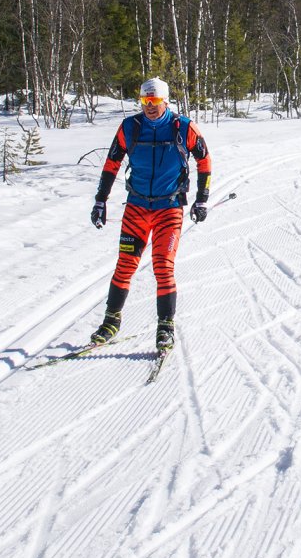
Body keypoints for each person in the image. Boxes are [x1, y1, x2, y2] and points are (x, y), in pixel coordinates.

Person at [89, 77, 212, 354]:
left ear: (165, 100)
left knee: (162, 266)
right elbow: (111, 164)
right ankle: (111, 321)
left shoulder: (183, 127)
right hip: (136, 208)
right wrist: (100, 200)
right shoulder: (130, 128)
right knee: (125, 265)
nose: (149, 107)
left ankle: (165, 327)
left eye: (154, 101)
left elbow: (204, 160)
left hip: (169, 209)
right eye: (145, 101)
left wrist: (201, 200)